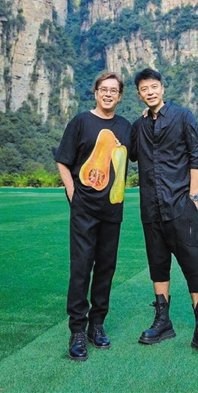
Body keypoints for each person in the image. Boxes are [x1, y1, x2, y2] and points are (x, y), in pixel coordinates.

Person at [130, 67, 198, 357]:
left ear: (162, 88)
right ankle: (162, 321)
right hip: (150, 207)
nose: (150, 92)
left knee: (193, 263)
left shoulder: (183, 116)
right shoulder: (138, 125)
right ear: (139, 94)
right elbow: (130, 154)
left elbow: (196, 155)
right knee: (158, 263)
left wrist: (193, 195)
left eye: (153, 87)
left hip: (181, 204)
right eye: (144, 89)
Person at [55, 72, 131, 361]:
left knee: (106, 268)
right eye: (104, 89)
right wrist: (72, 192)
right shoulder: (80, 122)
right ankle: (77, 329)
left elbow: (140, 152)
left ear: (120, 96)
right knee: (81, 266)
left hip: (113, 208)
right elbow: (63, 160)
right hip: (84, 208)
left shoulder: (126, 127)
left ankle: (97, 325)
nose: (108, 94)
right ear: (96, 92)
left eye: (114, 90)